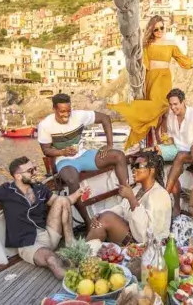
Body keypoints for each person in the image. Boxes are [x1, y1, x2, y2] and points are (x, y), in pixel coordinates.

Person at [0, 156, 89, 280]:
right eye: (31, 170)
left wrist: (78, 193)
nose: (35, 172)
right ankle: (75, 280)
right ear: (18, 176)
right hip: (29, 244)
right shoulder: (6, 191)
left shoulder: (39, 188)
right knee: (51, 259)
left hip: (49, 234)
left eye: (35, 168)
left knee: (61, 200)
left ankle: (71, 243)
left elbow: (64, 202)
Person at [38, 93, 129, 226]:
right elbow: (46, 150)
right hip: (64, 160)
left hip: (84, 155)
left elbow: (105, 118)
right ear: (54, 109)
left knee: (118, 155)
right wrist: (62, 152)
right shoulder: (45, 125)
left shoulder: (79, 115)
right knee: (71, 179)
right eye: (62, 111)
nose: (66, 114)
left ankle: (126, 199)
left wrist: (109, 144)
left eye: (68, 111)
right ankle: (88, 222)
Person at [108, 15, 193, 150]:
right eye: (155, 29)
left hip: (164, 78)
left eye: (161, 28)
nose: (159, 31)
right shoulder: (147, 45)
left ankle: (161, 138)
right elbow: (143, 64)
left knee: (163, 109)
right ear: (151, 31)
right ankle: (153, 135)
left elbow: (182, 59)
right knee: (154, 108)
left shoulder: (171, 43)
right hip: (151, 78)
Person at [86, 151, 172, 244]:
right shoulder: (138, 188)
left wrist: (131, 199)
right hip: (133, 233)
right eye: (133, 166)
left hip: (147, 244)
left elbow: (146, 236)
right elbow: (122, 209)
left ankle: (84, 255)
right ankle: (87, 254)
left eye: (138, 166)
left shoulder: (160, 195)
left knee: (106, 219)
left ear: (152, 170)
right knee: (100, 221)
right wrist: (99, 214)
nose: (134, 170)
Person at [150, 88, 193, 162]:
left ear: (183, 102)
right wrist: (169, 140)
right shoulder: (170, 116)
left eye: (175, 104)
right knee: (149, 151)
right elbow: (170, 137)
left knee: (154, 154)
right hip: (175, 148)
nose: (173, 107)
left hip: (190, 151)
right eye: (170, 104)